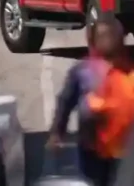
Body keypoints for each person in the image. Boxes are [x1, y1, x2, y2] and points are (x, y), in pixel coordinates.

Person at [86, 17, 134, 186]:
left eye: (112, 35)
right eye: (103, 36)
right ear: (94, 42)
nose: (108, 40)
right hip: (105, 159)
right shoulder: (87, 77)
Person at [48, 23, 109, 185]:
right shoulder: (82, 71)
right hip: (92, 147)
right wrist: (57, 132)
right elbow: (65, 101)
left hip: (124, 148)